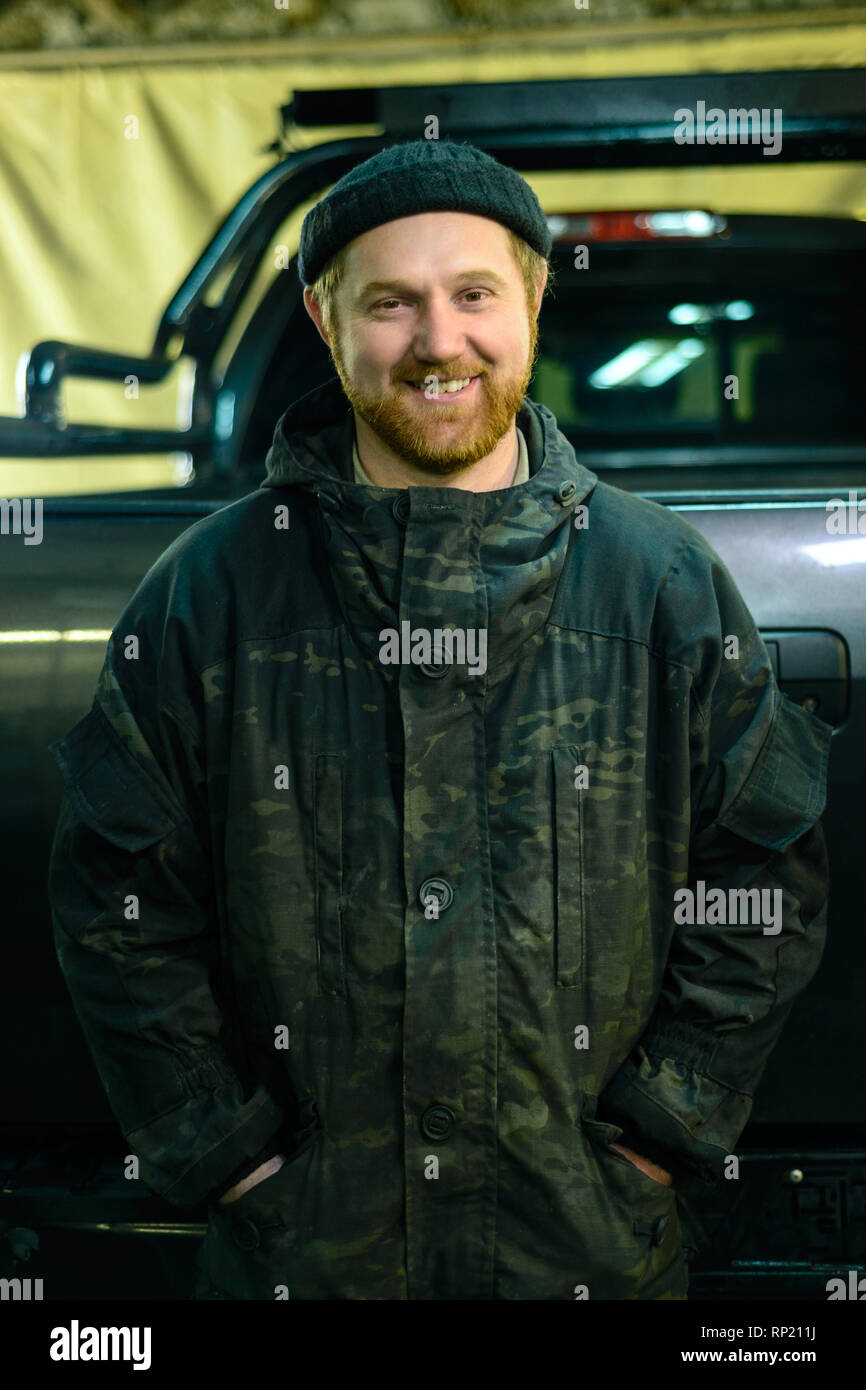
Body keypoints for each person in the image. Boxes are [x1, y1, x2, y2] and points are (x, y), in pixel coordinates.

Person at [47, 138, 832, 1300]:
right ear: (323, 317)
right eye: (389, 303)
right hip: (306, 1265)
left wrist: (661, 1129)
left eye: (473, 293)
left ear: (531, 297)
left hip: (586, 1253)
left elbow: (761, 874)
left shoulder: (658, 581)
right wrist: (221, 1152)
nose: (437, 341)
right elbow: (118, 895)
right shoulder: (211, 591)